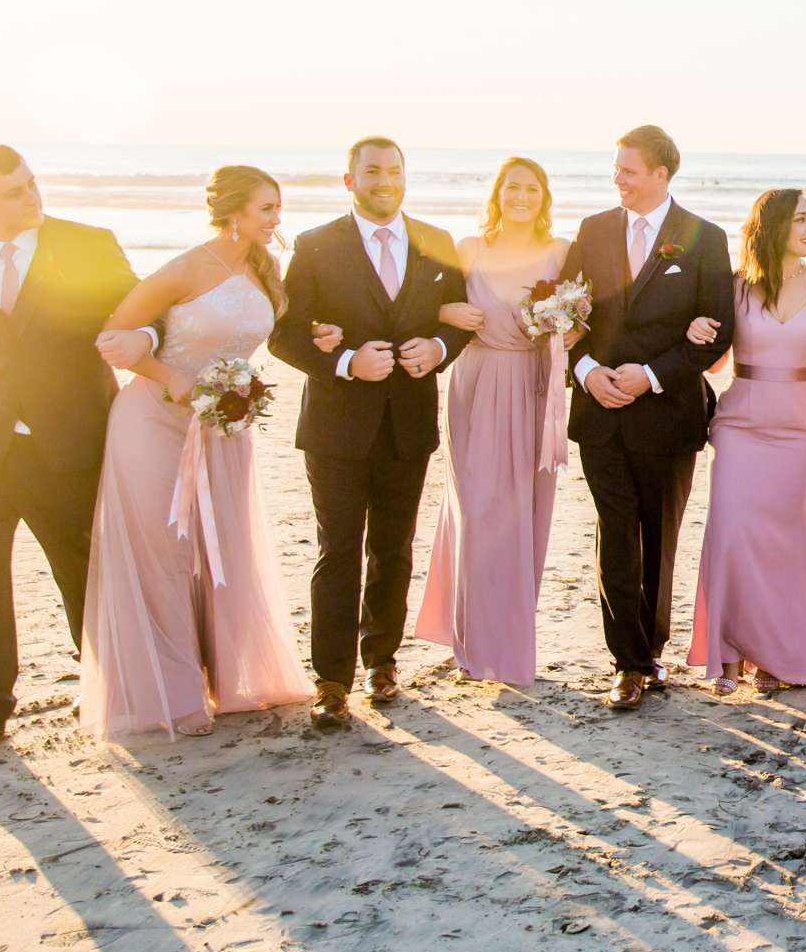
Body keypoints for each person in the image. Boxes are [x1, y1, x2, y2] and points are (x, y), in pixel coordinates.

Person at [0, 145, 143, 763]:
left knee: (83, 573)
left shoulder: (88, 244)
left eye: (31, 183)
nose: (31, 196)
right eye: (13, 192)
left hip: (67, 443)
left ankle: (109, 690)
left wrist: (147, 347)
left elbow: (142, 315)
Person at [81, 167, 315, 736]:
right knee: (164, 553)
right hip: (154, 421)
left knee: (222, 552)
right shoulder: (185, 267)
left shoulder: (266, 267)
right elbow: (114, 337)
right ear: (234, 211)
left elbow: (258, 339)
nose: (275, 219)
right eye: (266, 208)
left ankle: (229, 681)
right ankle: (175, 695)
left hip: (222, 431)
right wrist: (169, 376)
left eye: (278, 207)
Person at [267, 136, 469, 731]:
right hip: (336, 428)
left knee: (393, 549)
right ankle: (331, 680)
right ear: (349, 180)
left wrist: (437, 348)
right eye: (372, 171)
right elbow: (283, 335)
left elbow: (456, 320)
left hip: (407, 424)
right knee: (337, 551)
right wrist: (344, 361)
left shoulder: (437, 242)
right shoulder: (315, 244)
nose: (385, 181)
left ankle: (382, 659)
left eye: (395, 170)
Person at [558, 125, 735, 711]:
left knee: (659, 537)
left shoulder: (704, 239)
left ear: (661, 173)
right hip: (600, 410)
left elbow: (717, 331)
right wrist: (588, 372)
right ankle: (627, 664)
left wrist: (652, 374)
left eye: (629, 170)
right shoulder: (593, 230)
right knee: (616, 535)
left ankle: (651, 650)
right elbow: (564, 313)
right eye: (616, 169)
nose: (619, 179)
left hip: (667, 412)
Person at [413, 157, 570, 686]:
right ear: (497, 193)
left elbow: (582, 319)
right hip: (476, 384)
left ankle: (507, 637)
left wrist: (570, 335)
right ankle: (470, 637)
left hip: (533, 385)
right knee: (478, 508)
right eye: (512, 187)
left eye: (531, 187)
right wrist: (443, 314)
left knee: (523, 510)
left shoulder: (561, 252)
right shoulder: (468, 249)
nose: (521, 196)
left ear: (543, 196)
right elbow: (426, 304)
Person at [685, 189, 806, 694]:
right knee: (732, 534)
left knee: (786, 543)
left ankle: (777, 656)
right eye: (800, 219)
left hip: (798, 427)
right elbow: (712, 362)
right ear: (773, 227)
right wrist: (696, 332)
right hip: (740, 425)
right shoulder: (735, 288)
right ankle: (727, 654)